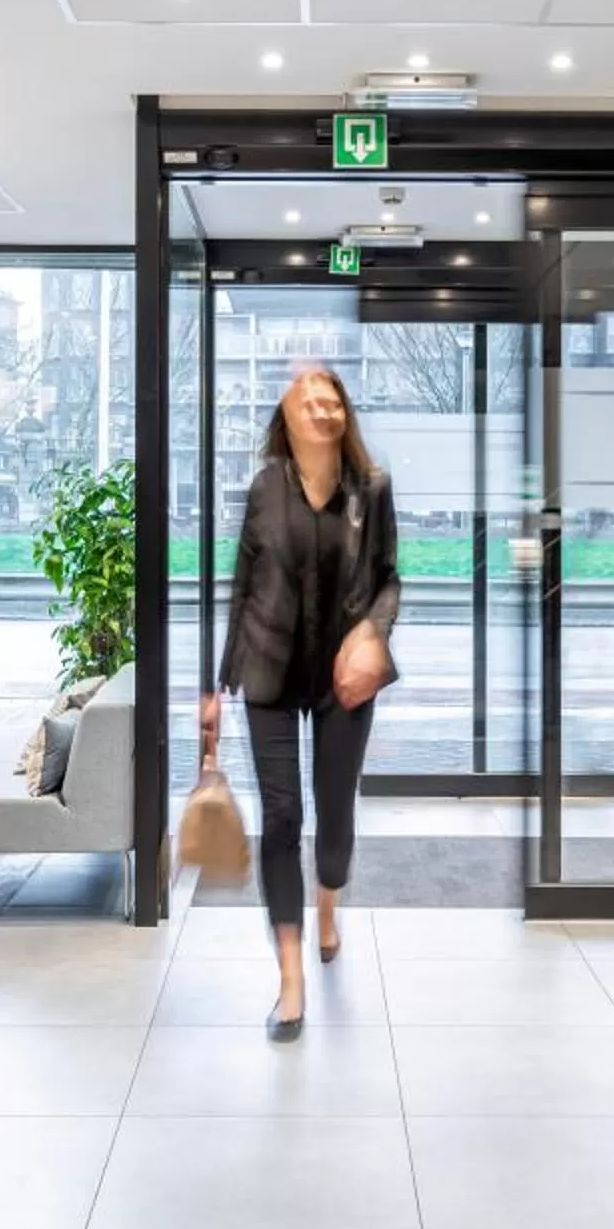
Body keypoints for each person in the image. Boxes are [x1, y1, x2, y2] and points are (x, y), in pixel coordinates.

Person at [202, 366, 400, 1039]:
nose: (320, 410)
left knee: (335, 816)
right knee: (282, 818)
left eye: (331, 400)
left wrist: (373, 633)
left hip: (344, 678)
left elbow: (388, 580)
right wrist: (214, 683)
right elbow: (241, 584)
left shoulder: (370, 491)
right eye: (306, 401)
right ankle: (290, 979)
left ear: (345, 414)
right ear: (285, 419)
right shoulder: (265, 488)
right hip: (269, 673)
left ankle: (328, 901)